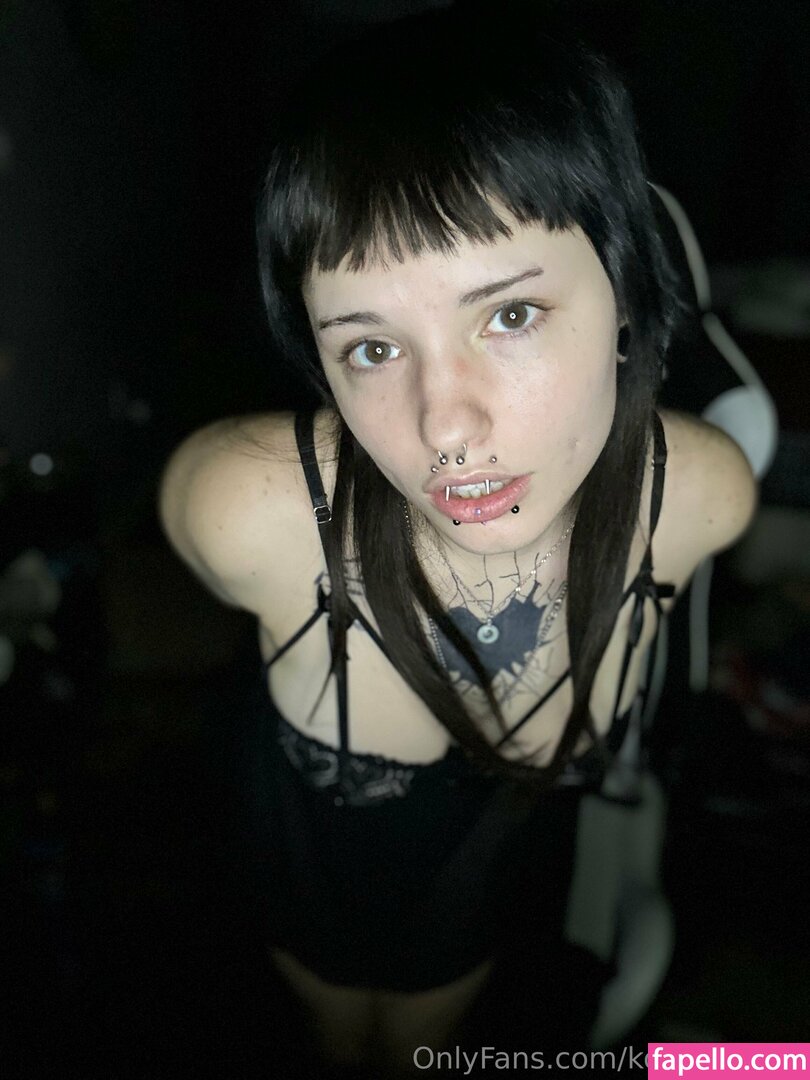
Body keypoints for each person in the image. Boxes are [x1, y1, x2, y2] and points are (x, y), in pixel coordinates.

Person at [159, 5, 757, 1076]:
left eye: (510, 316)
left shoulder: (700, 500)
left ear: (624, 291)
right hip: (297, 875)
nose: (445, 425)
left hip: (486, 899)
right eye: (373, 346)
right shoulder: (246, 508)